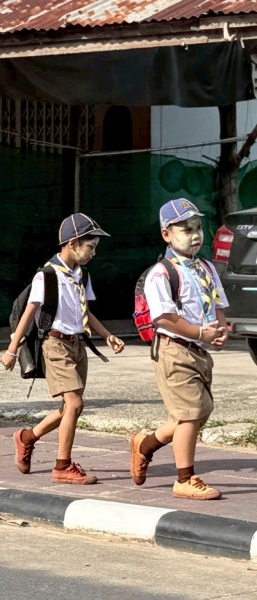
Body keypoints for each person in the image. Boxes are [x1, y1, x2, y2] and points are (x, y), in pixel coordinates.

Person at [2, 213, 125, 484]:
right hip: (55, 344)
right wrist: (11, 350)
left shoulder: (82, 274)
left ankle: (27, 437)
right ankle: (62, 466)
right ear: (72, 243)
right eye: (90, 247)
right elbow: (29, 312)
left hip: (77, 344)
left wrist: (107, 335)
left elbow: (85, 310)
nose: (93, 253)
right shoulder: (47, 276)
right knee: (74, 403)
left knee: (70, 408)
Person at [130, 199, 228, 500]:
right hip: (174, 349)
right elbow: (163, 318)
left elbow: (217, 303)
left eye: (198, 227)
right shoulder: (162, 273)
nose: (195, 234)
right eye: (186, 230)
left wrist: (220, 330)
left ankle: (145, 445)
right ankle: (184, 479)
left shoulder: (206, 267)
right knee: (190, 414)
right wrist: (199, 332)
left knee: (197, 412)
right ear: (167, 234)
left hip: (199, 350)